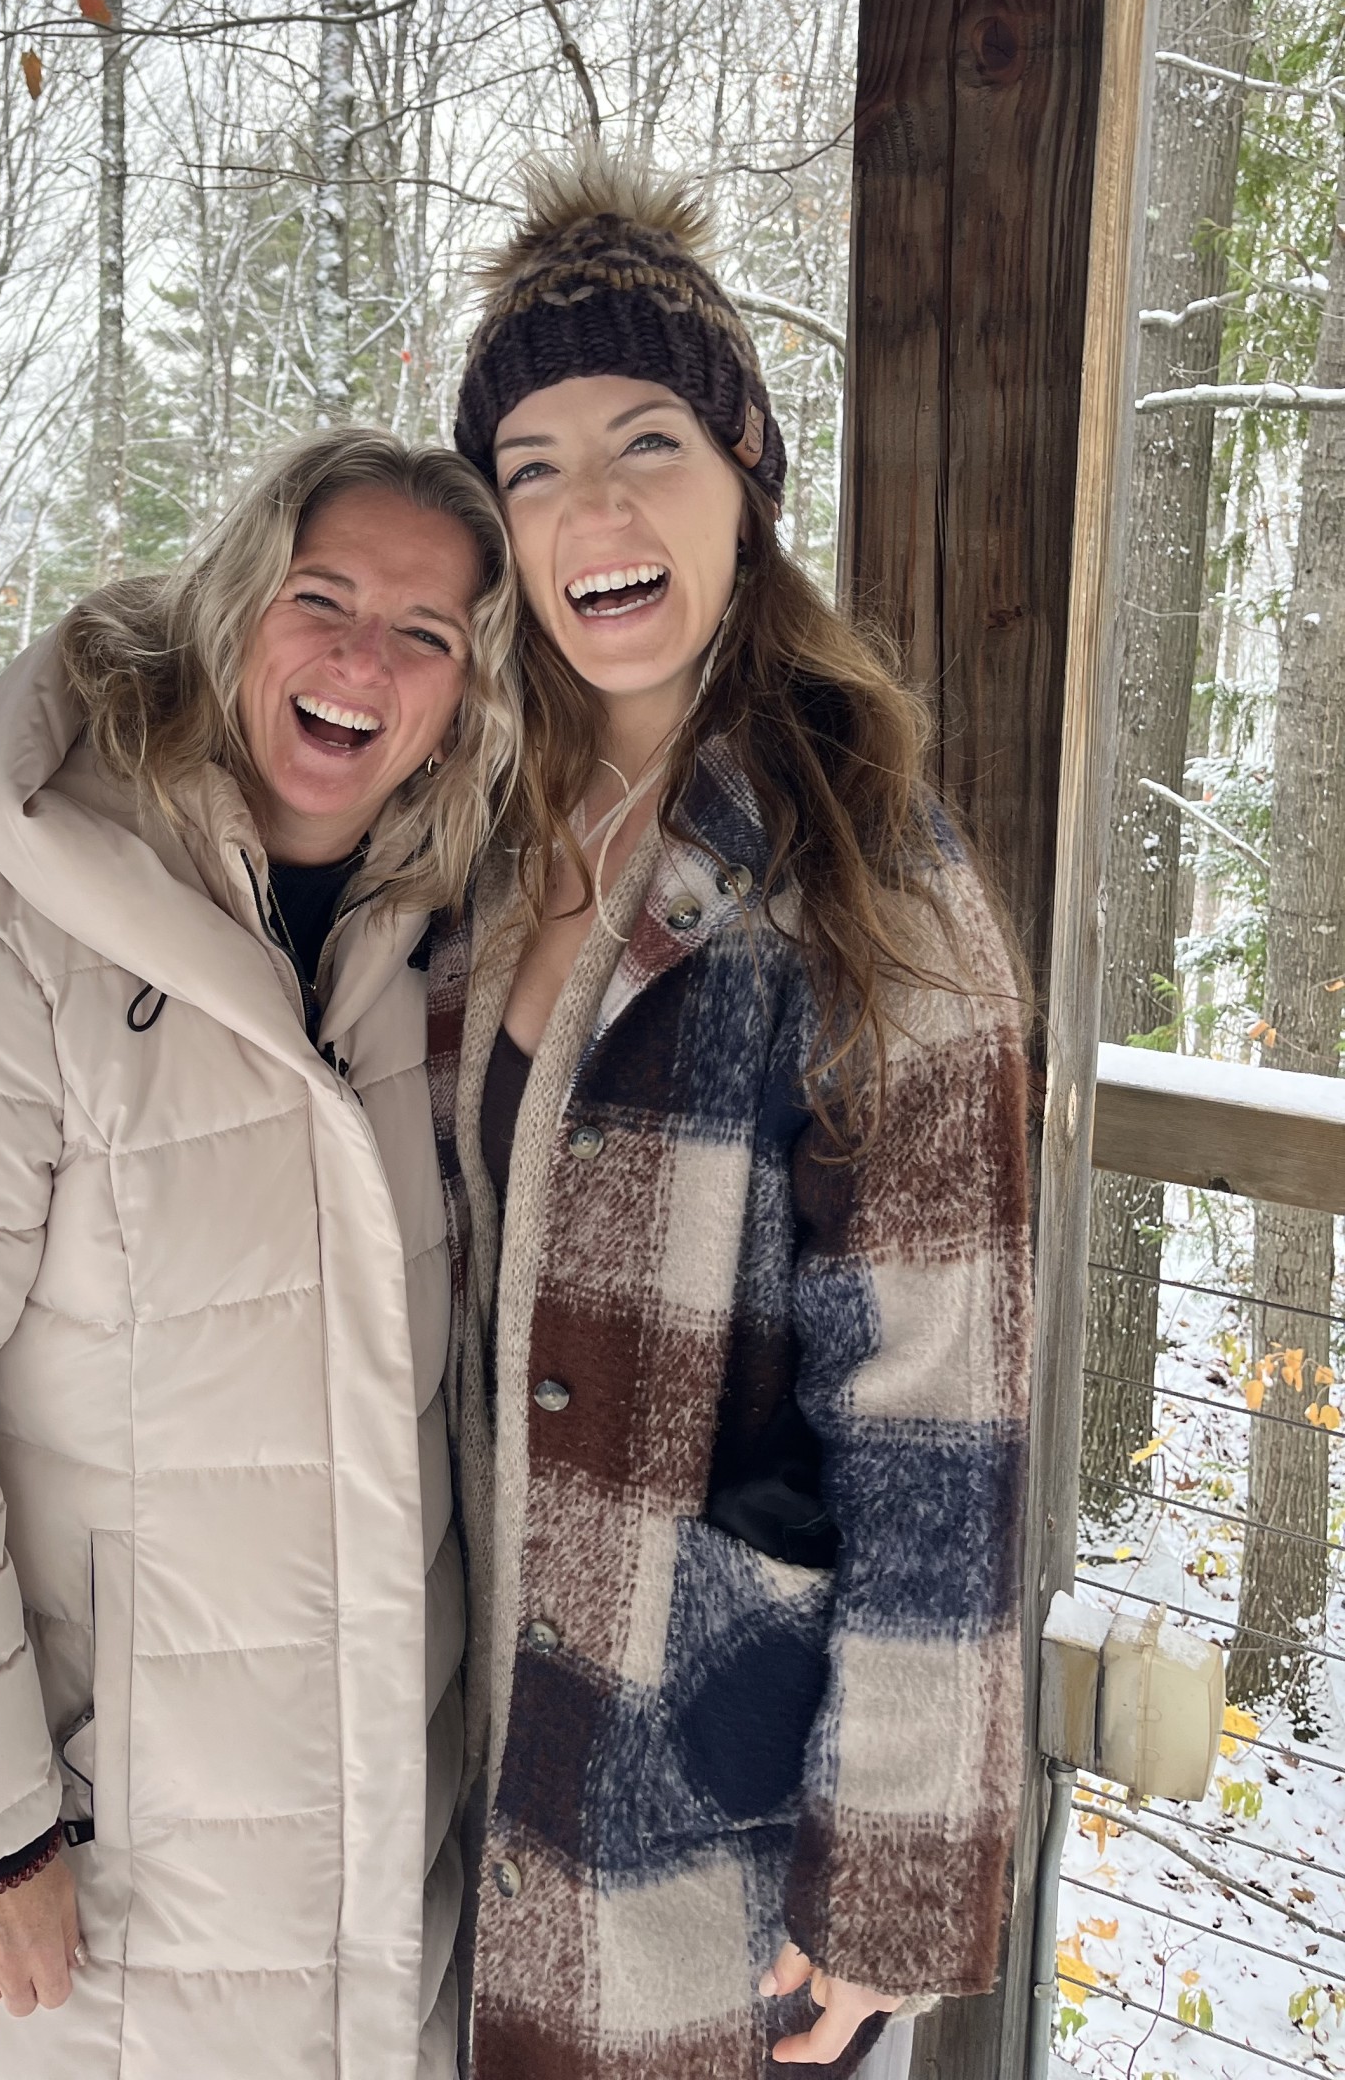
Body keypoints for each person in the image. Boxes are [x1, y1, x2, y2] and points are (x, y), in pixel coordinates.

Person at [0, 428, 524, 2080]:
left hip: (380, 1879)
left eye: (426, 634)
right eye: (322, 600)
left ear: (468, 696)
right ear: (237, 604)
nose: (359, 661)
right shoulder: (3, 947)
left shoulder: (445, 957)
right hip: (102, 1883)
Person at [427, 152, 1033, 2080]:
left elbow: (943, 1423)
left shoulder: (869, 876)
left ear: (747, 472)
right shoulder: (467, 834)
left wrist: (892, 1891)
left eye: (647, 442)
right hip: (454, 1728)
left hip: (692, 1802)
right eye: (530, 467)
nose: (589, 507)